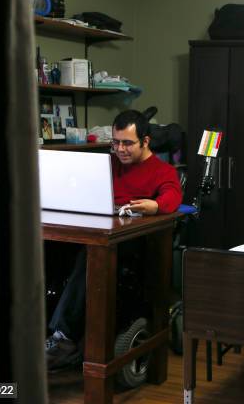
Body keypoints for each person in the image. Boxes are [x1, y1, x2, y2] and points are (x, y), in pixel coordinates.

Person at [45, 110, 183, 370]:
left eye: (128, 143)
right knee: (48, 248)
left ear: (145, 141)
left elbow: (172, 197)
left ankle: (65, 340)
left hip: (132, 243)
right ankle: (42, 329)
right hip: (98, 232)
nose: (120, 149)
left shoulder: (162, 171)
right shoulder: (106, 165)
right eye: (116, 142)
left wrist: (154, 205)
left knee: (89, 255)